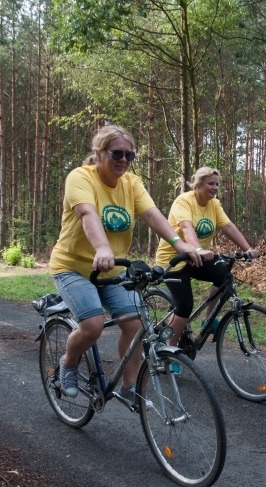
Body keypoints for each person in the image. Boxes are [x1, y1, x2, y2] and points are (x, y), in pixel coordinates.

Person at [50, 125, 200, 403]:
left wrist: (180, 244)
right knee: (93, 325)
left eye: (129, 155)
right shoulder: (80, 177)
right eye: (117, 153)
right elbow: (87, 214)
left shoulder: (131, 183)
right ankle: (68, 364)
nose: (123, 160)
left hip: (113, 269)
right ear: (99, 153)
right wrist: (103, 247)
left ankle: (129, 388)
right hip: (73, 267)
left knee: (136, 325)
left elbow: (153, 215)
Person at [155, 166, 259, 345]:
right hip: (174, 260)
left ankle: (208, 320)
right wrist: (197, 250)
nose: (215, 187)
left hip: (197, 258)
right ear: (198, 185)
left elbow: (228, 227)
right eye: (211, 183)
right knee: (184, 307)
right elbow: (187, 228)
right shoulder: (184, 201)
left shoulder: (214, 204)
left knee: (224, 276)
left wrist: (248, 249)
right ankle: (170, 351)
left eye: (217, 184)